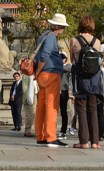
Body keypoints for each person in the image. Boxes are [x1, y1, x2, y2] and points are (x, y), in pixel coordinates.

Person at [34, 13, 68, 148]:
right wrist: (38, 70)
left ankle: (40, 136)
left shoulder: (43, 35)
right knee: (52, 106)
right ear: (58, 27)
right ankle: (51, 137)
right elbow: (45, 55)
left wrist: (38, 72)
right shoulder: (52, 36)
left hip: (43, 74)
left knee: (41, 105)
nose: (63, 30)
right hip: (50, 73)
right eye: (63, 27)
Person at [69, 16, 102, 149]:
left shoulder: (74, 40)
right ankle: (95, 141)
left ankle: (83, 141)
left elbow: (72, 60)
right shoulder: (97, 41)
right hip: (94, 78)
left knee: (81, 109)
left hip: (80, 78)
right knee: (93, 109)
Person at [57, 54, 72, 139]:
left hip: (64, 90)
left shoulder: (68, 66)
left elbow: (65, 69)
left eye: (62, 59)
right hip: (56, 90)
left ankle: (63, 130)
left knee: (63, 111)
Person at [21, 73, 37, 137]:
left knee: (34, 114)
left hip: (35, 97)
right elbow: (24, 88)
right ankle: (27, 130)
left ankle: (31, 129)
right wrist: (27, 97)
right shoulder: (26, 76)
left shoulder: (36, 76)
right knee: (30, 114)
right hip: (29, 97)